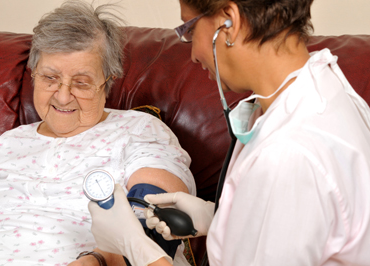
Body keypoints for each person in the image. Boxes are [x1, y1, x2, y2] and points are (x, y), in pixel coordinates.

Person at [87, 0, 370, 265]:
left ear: (228, 21)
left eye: (189, 29)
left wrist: (136, 246)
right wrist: (221, 218)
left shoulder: (288, 155)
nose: (193, 55)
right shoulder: (323, 86)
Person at [0, 1, 196, 265]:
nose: (63, 96)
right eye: (50, 78)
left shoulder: (138, 130)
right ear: (33, 75)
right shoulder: (8, 142)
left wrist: (99, 260)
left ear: (108, 82)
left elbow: (157, 219)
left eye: (81, 83)